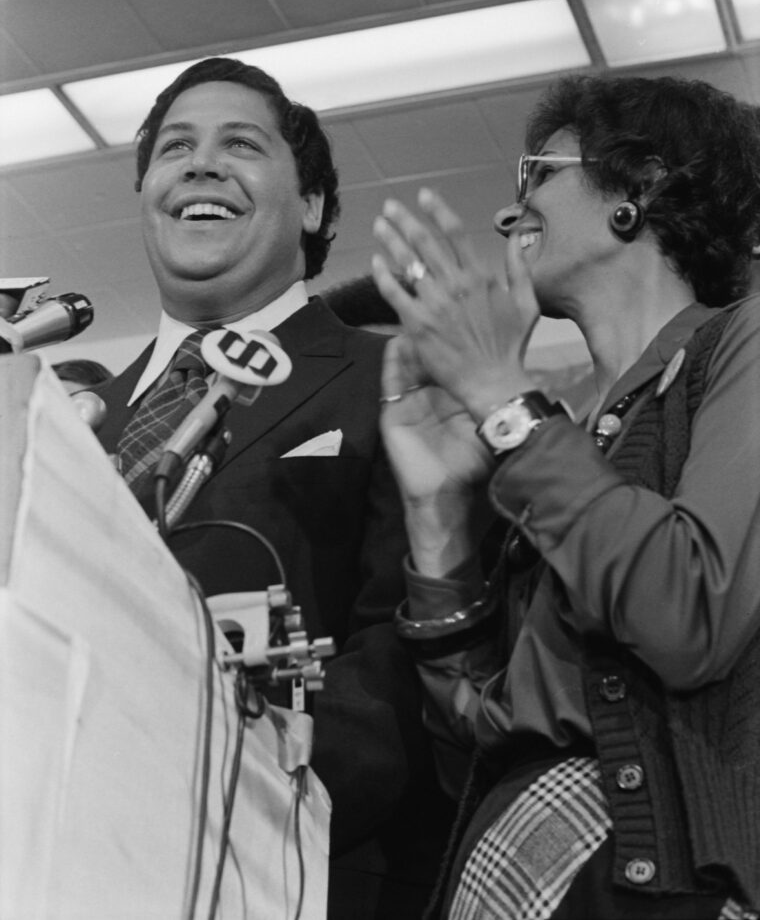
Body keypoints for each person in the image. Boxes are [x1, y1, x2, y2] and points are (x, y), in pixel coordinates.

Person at [370, 73, 760, 919]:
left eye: (537, 174)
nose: (512, 215)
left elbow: (691, 612)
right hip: (513, 872)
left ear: (641, 184)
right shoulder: (564, 439)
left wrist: (507, 405)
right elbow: (476, 748)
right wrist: (435, 516)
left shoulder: (744, 341)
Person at [96, 56, 451, 918]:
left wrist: (241, 817)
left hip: (302, 867)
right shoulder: (76, 421)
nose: (201, 163)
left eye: (241, 145)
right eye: (175, 147)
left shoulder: (398, 378)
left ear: (316, 206)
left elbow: (405, 647)